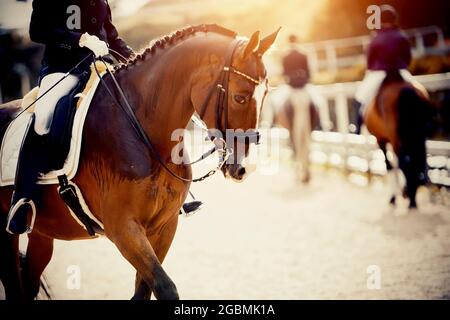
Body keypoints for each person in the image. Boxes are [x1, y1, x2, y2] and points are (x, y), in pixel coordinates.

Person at [6, 0, 200, 235]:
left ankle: (169, 192)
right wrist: (78, 39)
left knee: (138, 107)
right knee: (43, 117)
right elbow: (38, 30)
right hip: (62, 68)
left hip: (100, 66)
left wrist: (136, 61)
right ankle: (23, 197)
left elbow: (111, 36)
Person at [353, 4, 423, 134]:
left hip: (379, 73)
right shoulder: (402, 36)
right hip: (401, 71)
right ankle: (429, 119)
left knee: (360, 95)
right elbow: (407, 57)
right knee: (420, 92)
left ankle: (356, 126)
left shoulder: (375, 37)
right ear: (394, 19)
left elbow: (369, 61)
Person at [282, 35, 313, 183]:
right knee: (318, 102)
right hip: (304, 88)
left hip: (291, 89)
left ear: (289, 42)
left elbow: (284, 74)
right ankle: (325, 122)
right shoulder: (304, 53)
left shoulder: (285, 55)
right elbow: (310, 73)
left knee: (277, 103)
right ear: (297, 41)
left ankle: (269, 122)